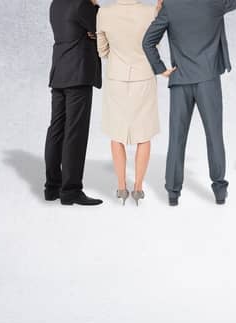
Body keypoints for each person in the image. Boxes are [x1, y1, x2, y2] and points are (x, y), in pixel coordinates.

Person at [142, 0, 236, 207]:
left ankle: (173, 193)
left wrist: (160, 68)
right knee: (214, 136)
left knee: (177, 139)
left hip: (180, 79)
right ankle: (219, 192)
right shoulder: (214, 3)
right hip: (208, 79)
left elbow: (147, 42)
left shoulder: (170, 7)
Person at [96, 0, 156, 206]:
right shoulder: (150, 13)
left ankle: (121, 188)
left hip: (117, 77)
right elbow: (153, 44)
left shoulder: (104, 13)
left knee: (117, 133)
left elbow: (102, 50)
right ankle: (138, 188)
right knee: (144, 133)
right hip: (144, 76)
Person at [47, 0, 103, 207]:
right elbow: (103, 29)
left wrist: (91, 32)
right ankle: (71, 190)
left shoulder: (55, 4)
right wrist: (95, 7)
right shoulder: (82, 4)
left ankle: (52, 187)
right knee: (75, 133)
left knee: (57, 130)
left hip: (59, 71)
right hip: (78, 73)